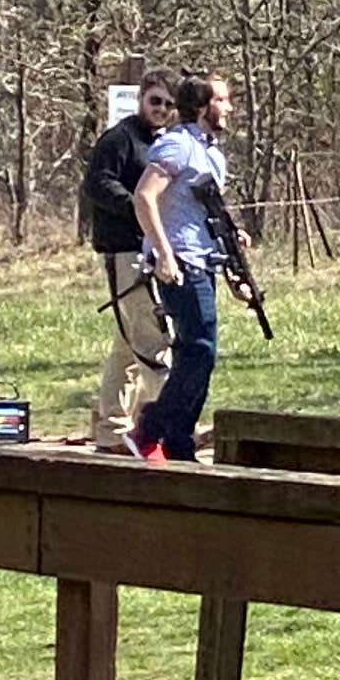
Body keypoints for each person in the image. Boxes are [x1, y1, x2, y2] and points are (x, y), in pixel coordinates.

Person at [131, 73, 235, 464]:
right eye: (222, 100)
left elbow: (206, 214)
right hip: (180, 264)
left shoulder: (212, 154)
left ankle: (178, 443)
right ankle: (150, 428)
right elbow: (144, 197)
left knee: (200, 353)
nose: (229, 107)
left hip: (202, 260)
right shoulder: (177, 145)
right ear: (203, 106)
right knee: (199, 350)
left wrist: (232, 242)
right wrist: (164, 253)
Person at [80, 71, 179, 450]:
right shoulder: (119, 139)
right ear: (141, 99)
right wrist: (138, 207)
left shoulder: (163, 142)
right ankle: (170, 427)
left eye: (169, 105)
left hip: (150, 249)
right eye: (156, 101)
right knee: (154, 342)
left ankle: (112, 431)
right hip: (124, 252)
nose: (161, 110)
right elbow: (97, 184)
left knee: (126, 346)